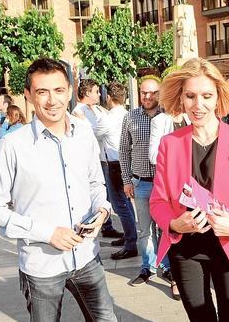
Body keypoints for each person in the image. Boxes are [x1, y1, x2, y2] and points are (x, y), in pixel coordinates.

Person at [0, 58, 117, 321]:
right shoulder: (12, 146)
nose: (52, 100)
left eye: (58, 90)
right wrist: (48, 233)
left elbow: (95, 183)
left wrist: (102, 210)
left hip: (87, 257)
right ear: (29, 95)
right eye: (42, 92)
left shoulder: (85, 134)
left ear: (69, 91)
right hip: (41, 266)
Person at [150, 58, 229, 321]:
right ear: (181, 99)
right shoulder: (169, 144)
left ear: (218, 98)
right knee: (200, 317)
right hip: (187, 249)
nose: (198, 104)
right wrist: (174, 224)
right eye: (190, 96)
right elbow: (157, 201)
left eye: (206, 95)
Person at [120, 76, 173, 288]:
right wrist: (126, 180)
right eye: (144, 92)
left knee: (165, 228)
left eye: (153, 92)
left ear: (160, 93)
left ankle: (167, 267)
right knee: (145, 229)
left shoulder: (169, 117)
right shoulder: (130, 117)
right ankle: (148, 267)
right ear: (139, 93)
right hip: (140, 182)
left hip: (163, 184)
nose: (148, 96)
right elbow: (124, 150)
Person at [88, 81, 139, 260]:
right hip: (127, 162)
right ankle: (129, 235)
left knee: (120, 206)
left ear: (109, 98)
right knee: (127, 203)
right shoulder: (129, 114)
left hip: (115, 164)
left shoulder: (108, 118)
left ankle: (131, 243)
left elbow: (92, 133)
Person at [73, 79, 123, 239]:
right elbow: (87, 132)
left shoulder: (96, 110)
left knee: (105, 193)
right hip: (91, 157)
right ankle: (96, 224)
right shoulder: (78, 111)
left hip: (103, 156)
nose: (99, 94)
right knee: (97, 191)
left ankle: (106, 224)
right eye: (95, 91)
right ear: (87, 93)